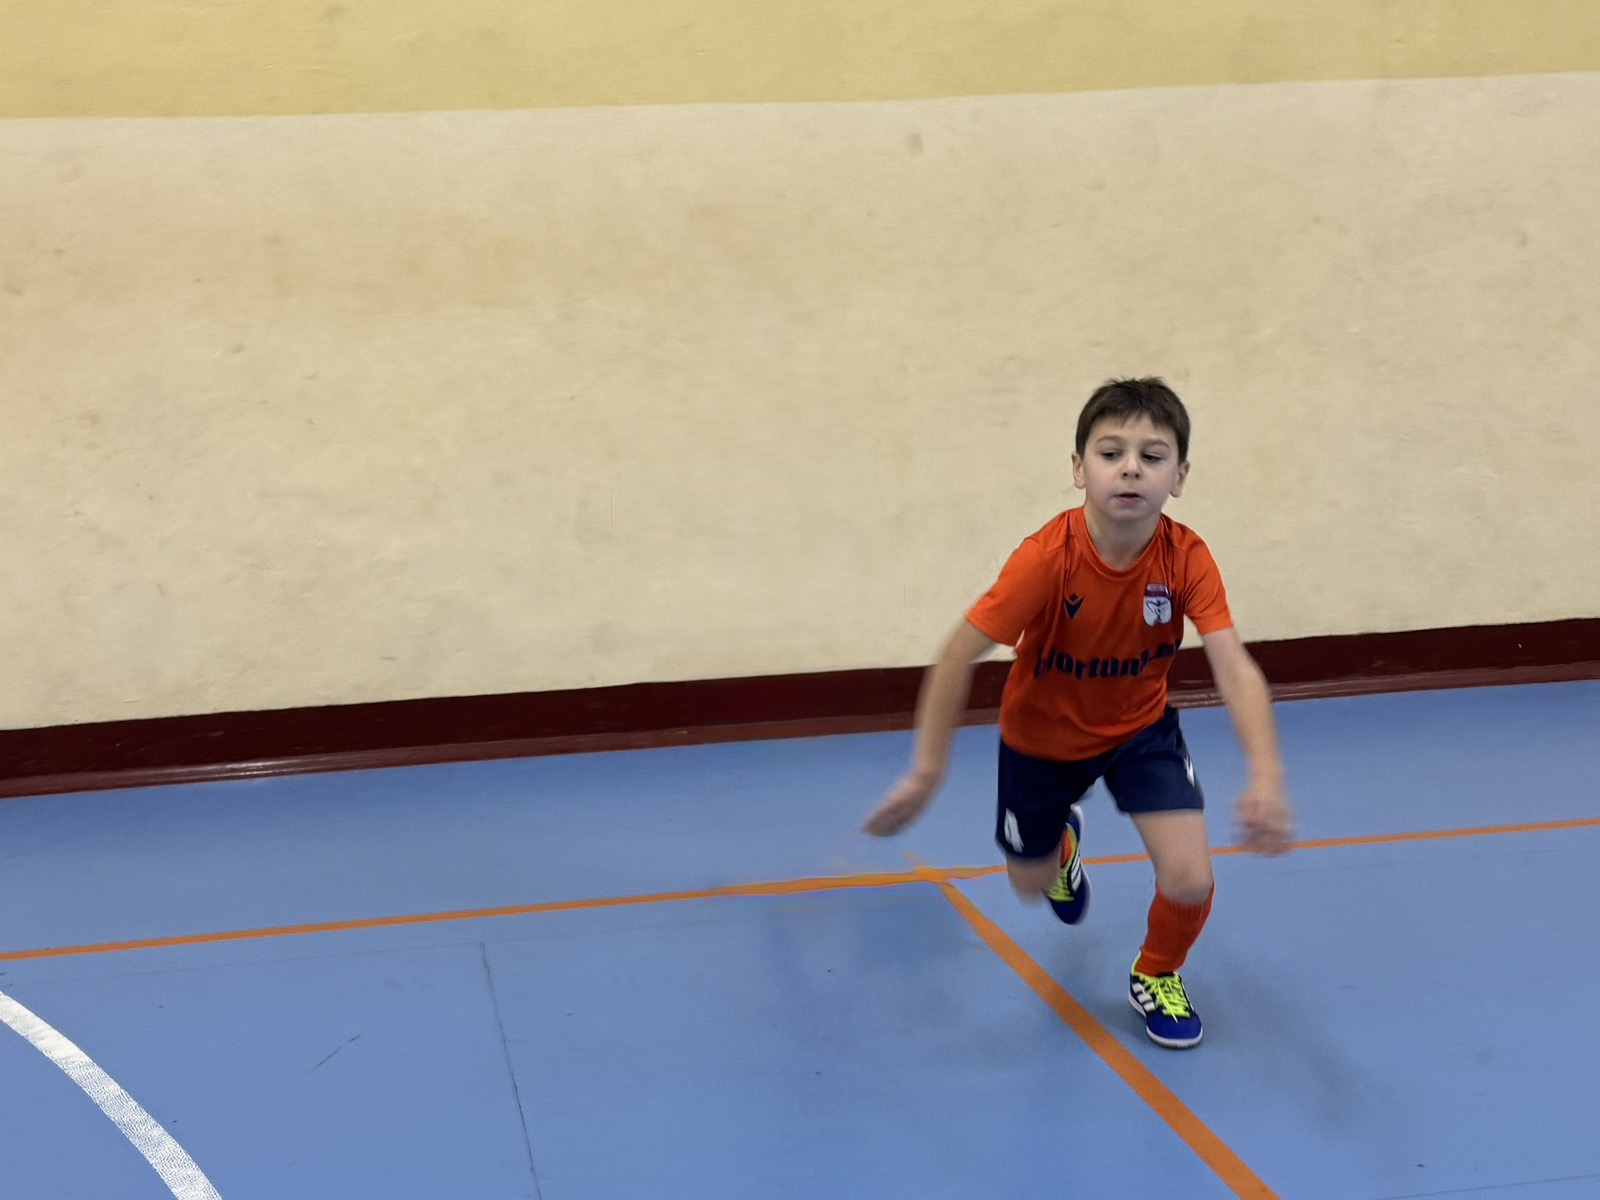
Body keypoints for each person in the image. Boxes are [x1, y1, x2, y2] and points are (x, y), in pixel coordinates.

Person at [862, 377, 1292, 1049]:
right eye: (1111, 452)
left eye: (1152, 456)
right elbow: (957, 654)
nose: (1131, 468)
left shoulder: (1187, 559)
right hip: (1041, 741)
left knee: (1190, 877)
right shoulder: (1047, 559)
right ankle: (1060, 845)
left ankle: (1157, 972)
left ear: (1179, 477)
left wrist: (1266, 776)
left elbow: (1234, 667)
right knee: (1029, 885)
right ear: (1078, 469)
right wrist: (926, 771)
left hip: (1140, 730)